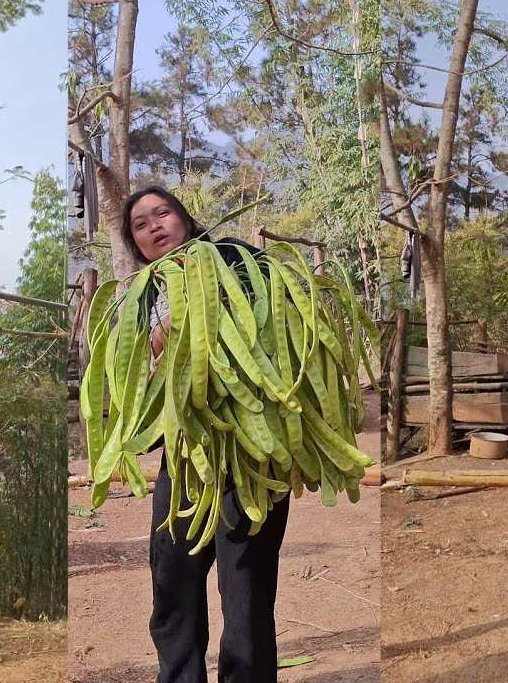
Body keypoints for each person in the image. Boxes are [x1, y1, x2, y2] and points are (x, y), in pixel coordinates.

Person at [123, 186, 287, 683]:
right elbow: (135, 402)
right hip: (185, 459)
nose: (154, 226)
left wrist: (209, 319)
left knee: (247, 595)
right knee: (172, 585)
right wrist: (156, 354)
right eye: (140, 224)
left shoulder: (237, 259)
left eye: (163, 213)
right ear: (137, 246)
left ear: (187, 221)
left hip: (250, 455)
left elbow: (280, 323)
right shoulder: (140, 299)